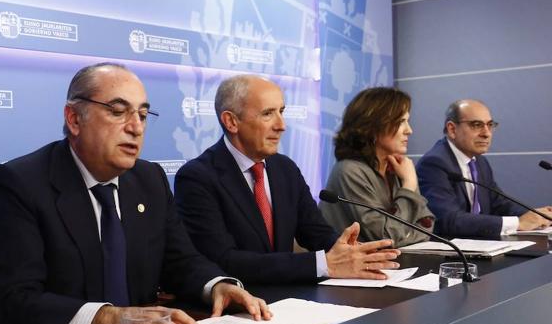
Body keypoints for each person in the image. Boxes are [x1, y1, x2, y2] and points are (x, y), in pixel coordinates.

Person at [0, 63, 270, 324]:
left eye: (143, 115)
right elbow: (9, 300)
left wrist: (217, 286)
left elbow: (180, 260)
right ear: (74, 119)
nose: (136, 127)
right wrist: (108, 318)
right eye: (118, 111)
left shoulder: (149, 179)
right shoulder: (20, 184)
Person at [174, 74, 400, 285]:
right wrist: (322, 264)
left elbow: (316, 233)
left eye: (281, 111)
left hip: (291, 299)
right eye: (267, 114)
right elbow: (223, 260)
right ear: (231, 122)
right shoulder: (197, 178)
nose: (281, 125)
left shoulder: (284, 169)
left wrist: (354, 253)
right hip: (239, 305)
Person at [416, 99, 551, 238]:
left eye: (490, 125)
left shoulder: (479, 161)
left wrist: (537, 216)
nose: (486, 133)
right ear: (452, 129)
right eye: (476, 125)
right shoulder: (434, 163)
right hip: (450, 253)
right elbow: (449, 220)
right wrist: (518, 223)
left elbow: (499, 203)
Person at [319, 87, 434, 247]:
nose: (409, 130)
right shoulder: (349, 171)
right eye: (401, 122)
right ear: (373, 125)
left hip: (394, 263)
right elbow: (386, 236)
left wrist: (400, 237)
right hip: (352, 269)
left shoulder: (397, 167)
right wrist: (408, 185)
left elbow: (426, 226)